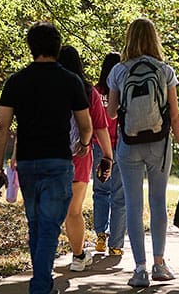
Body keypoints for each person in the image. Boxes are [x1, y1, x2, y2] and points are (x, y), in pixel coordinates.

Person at [0, 23, 93, 294]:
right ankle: (40, 286)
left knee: (37, 224)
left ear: (31, 48)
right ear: (57, 48)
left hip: (27, 163)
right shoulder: (70, 81)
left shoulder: (16, 81)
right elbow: (86, 126)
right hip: (58, 162)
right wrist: (83, 144)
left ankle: (42, 283)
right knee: (48, 225)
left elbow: (2, 127)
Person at [106, 18, 179, 288]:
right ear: (155, 38)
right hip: (159, 145)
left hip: (128, 145)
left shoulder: (118, 71)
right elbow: (175, 116)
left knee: (133, 204)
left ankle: (139, 268)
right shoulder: (165, 70)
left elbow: (110, 113)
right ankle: (159, 264)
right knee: (157, 202)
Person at [54, 45, 113, 272]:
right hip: (80, 155)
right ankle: (78, 258)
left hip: (51, 155)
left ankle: (44, 258)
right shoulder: (89, 92)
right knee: (74, 210)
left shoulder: (48, 88)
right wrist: (108, 156)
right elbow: (100, 127)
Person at [92, 52, 126, 256]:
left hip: (98, 147)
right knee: (119, 195)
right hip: (120, 146)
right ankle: (116, 244)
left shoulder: (95, 92)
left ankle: (100, 236)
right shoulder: (123, 92)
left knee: (100, 192)